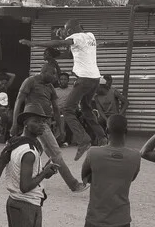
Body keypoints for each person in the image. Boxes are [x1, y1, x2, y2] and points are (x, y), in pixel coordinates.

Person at [20, 19, 106, 160]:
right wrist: (65, 34)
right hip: (95, 78)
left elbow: (59, 43)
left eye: (66, 31)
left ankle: (84, 140)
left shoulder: (75, 37)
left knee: (67, 110)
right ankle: (102, 137)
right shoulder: (90, 35)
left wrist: (33, 44)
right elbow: (73, 41)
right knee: (86, 107)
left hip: (84, 79)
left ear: (70, 31)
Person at [11, 61, 85, 192]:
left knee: (40, 150)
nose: (55, 77)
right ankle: (73, 184)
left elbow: (56, 108)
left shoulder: (50, 86)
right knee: (55, 152)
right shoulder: (30, 81)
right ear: (44, 72)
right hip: (35, 122)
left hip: (44, 122)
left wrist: (61, 129)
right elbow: (18, 100)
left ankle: (29, 177)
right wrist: (15, 123)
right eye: (53, 73)